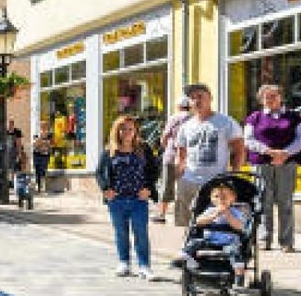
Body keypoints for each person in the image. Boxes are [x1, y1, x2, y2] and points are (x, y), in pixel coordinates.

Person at [96, 115, 160, 280]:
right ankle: (124, 262)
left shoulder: (143, 148)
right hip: (117, 201)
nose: (127, 132)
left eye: (130, 129)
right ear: (117, 131)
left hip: (138, 200)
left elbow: (155, 169)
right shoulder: (110, 150)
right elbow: (99, 173)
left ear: (135, 131)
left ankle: (144, 266)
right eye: (123, 129)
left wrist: (148, 189)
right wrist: (106, 189)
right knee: (121, 232)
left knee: (141, 233)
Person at [245, 84, 301, 252]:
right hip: (261, 163)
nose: (270, 99)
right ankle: (264, 239)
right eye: (266, 96)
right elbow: (248, 140)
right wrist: (268, 151)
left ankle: (286, 242)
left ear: (281, 97)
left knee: (285, 203)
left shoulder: (294, 116)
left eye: (274, 95)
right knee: (263, 202)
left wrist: (285, 153)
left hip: (287, 164)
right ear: (261, 99)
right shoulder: (255, 117)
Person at [174, 83, 244, 228]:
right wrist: (179, 178)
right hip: (189, 182)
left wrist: (234, 174)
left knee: (213, 222)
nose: (196, 101)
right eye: (193, 98)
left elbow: (239, 150)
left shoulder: (226, 122)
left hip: (216, 183)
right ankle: (187, 249)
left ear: (210, 98)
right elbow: (181, 155)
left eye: (200, 96)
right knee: (186, 225)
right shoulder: (186, 126)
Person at [176, 181, 250, 282]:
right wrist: (213, 216)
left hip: (229, 241)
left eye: (224, 197)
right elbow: (198, 221)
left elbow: (240, 226)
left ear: (233, 199)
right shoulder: (210, 210)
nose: (220, 200)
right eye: (217, 197)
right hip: (209, 240)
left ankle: (239, 273)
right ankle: (185, 258)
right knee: (194, 242)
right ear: (211, 199)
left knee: (234, 251)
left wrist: (227, 215)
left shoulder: (236, 212)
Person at [155, 96, 192, 224]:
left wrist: (165, 146)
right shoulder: (193, 118)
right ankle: (185, 215)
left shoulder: (174, 117)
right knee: (185, 186)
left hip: (171, 156)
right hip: (188, 158)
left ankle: (161, 214)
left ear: (178, 107)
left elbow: (165, 136)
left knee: (166, 185)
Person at [32, 121, 52, 192]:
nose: (43, 127)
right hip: (37, 154)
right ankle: (38, 186)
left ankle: (42, 186)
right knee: (37, 170)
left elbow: (49, 145)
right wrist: (41, 138)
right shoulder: (37, 134)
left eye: (45, 126)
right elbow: (35, 144)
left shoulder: (49, 135)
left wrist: (42, 142)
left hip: (45, 154)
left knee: (43, 170)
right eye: (42, 126)